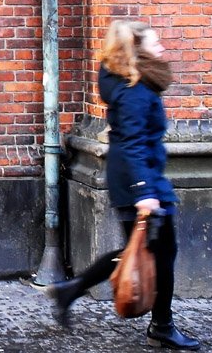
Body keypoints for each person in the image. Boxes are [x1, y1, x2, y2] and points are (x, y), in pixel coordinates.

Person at [47, 20, 200, 350]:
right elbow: (131, 144)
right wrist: (145, 191)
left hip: (137, 177)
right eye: (155, 44)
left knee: (145, 251)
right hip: (139, 182)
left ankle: (71, 290)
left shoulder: (135, 83)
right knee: (160, 254)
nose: (162, 49)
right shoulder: (134, 90)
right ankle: (161, 326)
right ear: (137, 51)